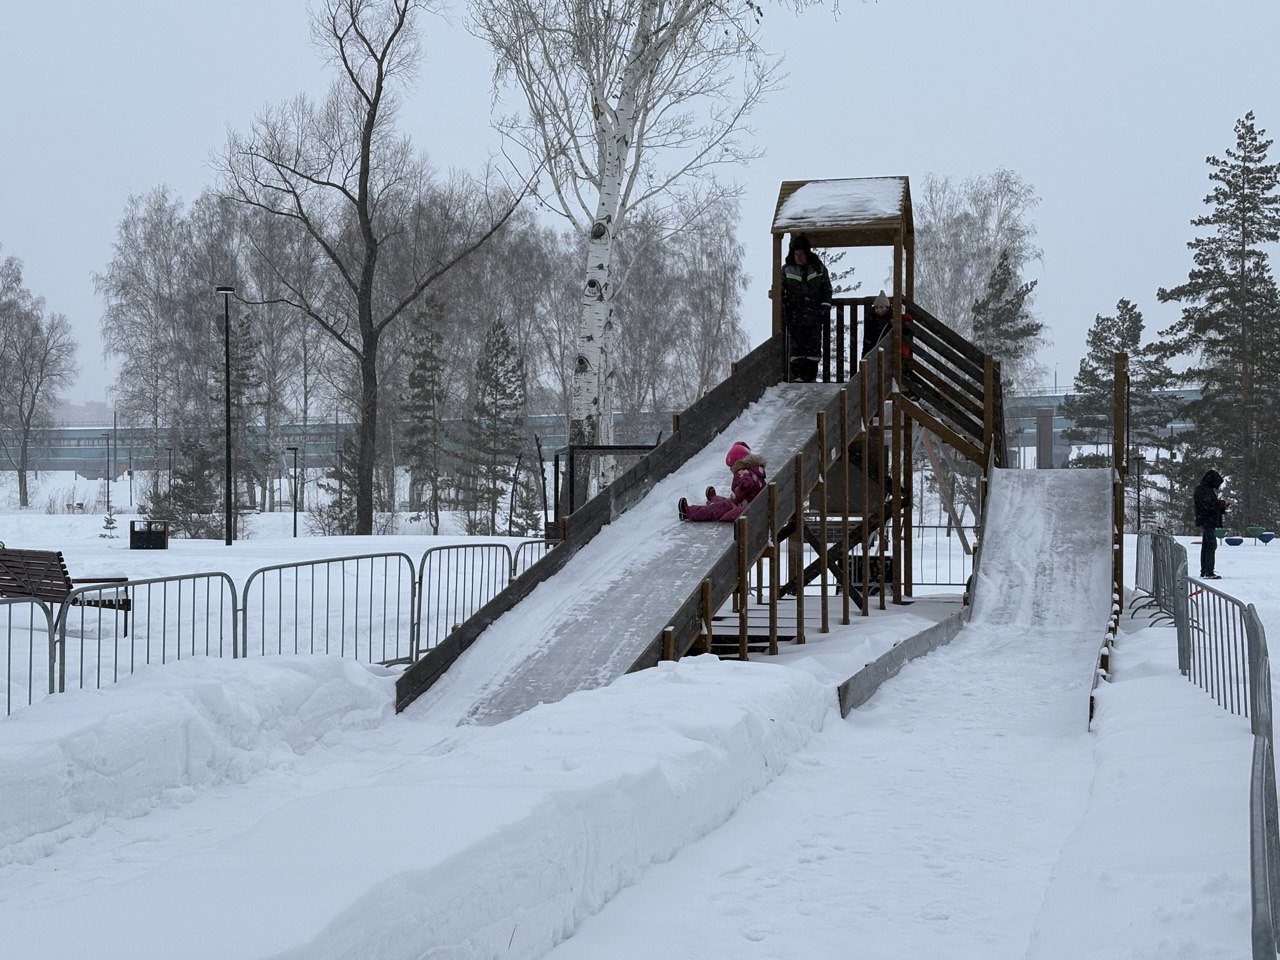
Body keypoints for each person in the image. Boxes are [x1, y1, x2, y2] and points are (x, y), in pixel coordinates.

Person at [780, 234, 832, 382]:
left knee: (813, 346)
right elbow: (779, 290)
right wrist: (785, 305)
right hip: (794, 316)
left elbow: (826, 289)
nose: (798, 257)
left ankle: (810, 377)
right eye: (796, 253)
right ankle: (797, 376)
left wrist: (824, 308)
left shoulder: (818, 268)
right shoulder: (787, 270)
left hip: (814, 315)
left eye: (801, 253)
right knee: (797, 347)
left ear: (807, 253)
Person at [677, 440, 767, 522]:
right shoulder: (754, 470)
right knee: (725, 502)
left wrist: (736, 495)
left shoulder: (743, 473)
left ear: (738, 463)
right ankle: (714, 499)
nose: (731, 469)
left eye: (731, 466)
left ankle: (688, 512)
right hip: (748, 503)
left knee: (714, 510)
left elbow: (746, 484)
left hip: (741, 507)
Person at [1193, 468, 1229, 579]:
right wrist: (1222, 503)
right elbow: (1209, 506)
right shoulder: (1203, 490)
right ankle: (1208, 571)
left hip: (1207, 520)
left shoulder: (1204, 489)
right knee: (1211, 545)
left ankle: (1205, 570)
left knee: (1207, 545)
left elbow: (1210, 505)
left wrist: (1222, 506)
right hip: (1207, 521)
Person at [863, 290, 892, 357]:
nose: (878, 310)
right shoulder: (872, 320)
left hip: (887, 354)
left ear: (887, 307)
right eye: (876, 307)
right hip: (873, 354)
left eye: (881, 307)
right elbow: (866, 343)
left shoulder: (892, 320)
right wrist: (864, 356)